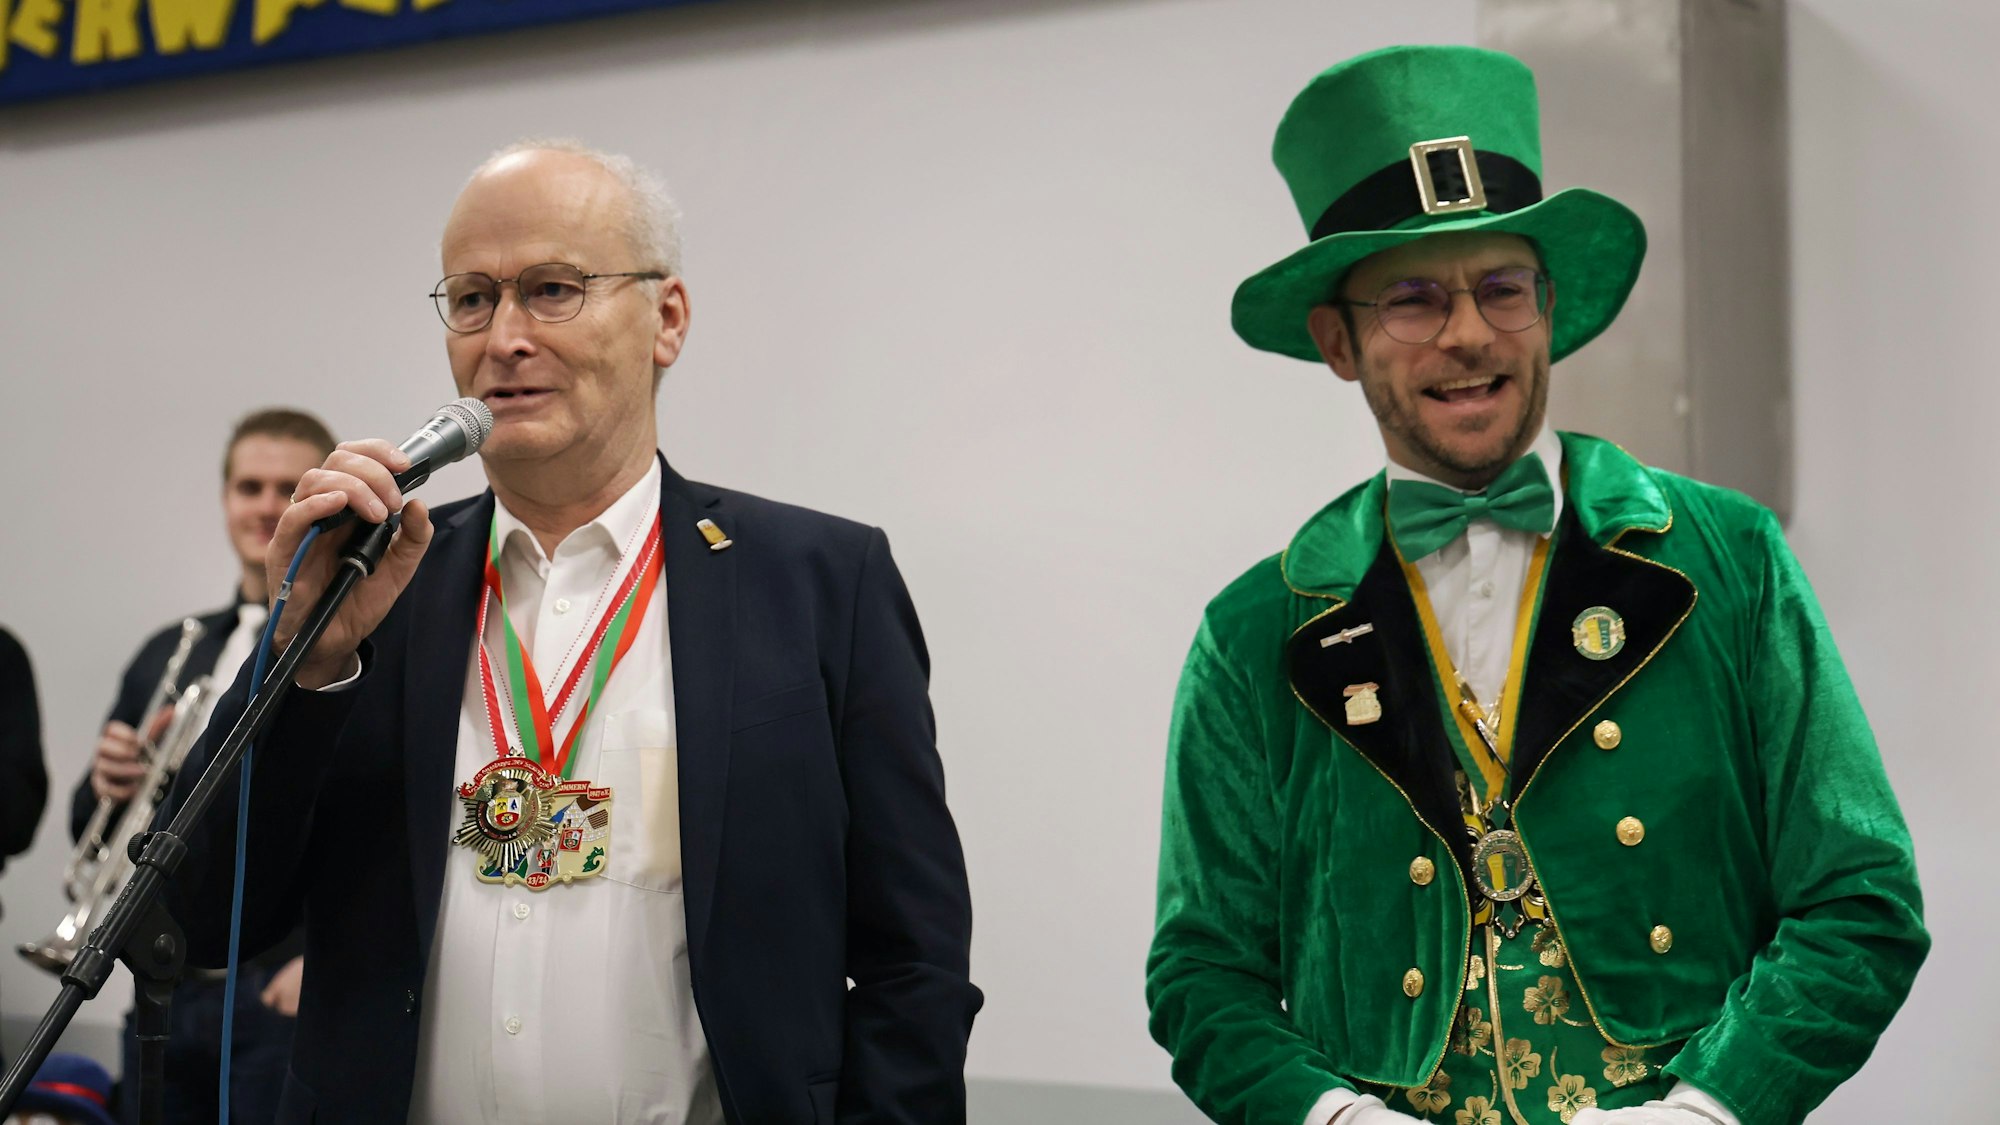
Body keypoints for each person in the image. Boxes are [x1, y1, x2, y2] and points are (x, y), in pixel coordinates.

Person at [1145, 46, 1927, 1125]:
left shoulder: (1727, 558)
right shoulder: (1252, 631)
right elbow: (1201, 972)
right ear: (1338, 339)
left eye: (1499, 288)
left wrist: (1706, 1111)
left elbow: (1859, 899)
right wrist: (1332, 1121)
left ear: (1549, 305)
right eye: (1411, 299)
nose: (1467, 332)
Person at [166, 140, 980, 1124]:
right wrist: (306, 666)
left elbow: (912, 957)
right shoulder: (376, 587)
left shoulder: (817, 583)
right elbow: (203, 918)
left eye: (552, 289)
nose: (504, 336)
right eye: (471, 298)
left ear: (665, 319)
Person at [67, 409, 332, 1123]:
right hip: (161, 984)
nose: (268, 506)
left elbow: (371, 818)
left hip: (278, 990)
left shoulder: (348, 653)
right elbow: (87, 828)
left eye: (288, 486)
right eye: (250, 486)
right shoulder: (170, 651)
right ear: (225, 500)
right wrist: (108, 784)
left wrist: (316, 960)